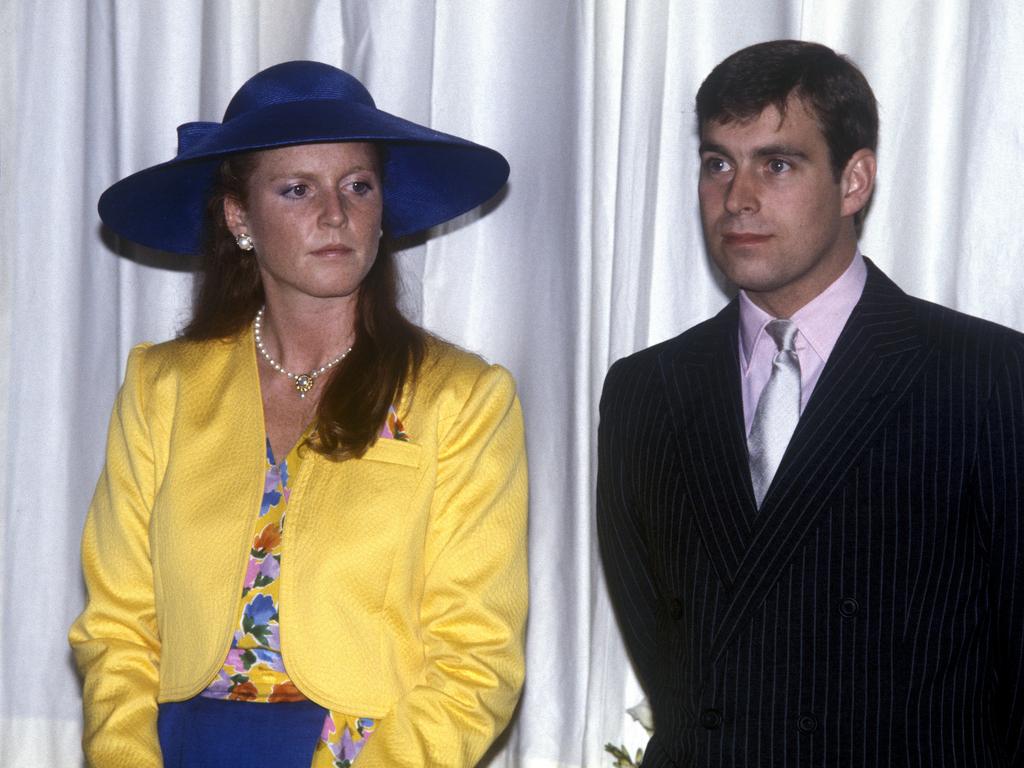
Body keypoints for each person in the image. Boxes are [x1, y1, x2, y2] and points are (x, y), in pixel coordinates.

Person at [69, 60, 528, 768]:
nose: (334, 214)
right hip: (183, 748)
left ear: (382, 207)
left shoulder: (460, 398)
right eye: (296, 189)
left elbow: (478, 657)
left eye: (357, 186)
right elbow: (117, 629)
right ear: (239, 216)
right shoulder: (161, 387)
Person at [597, 40, 1024, 766]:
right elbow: (670, 660)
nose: (738, 198)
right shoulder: (647, 391)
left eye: (778, 163)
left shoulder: (986, 378)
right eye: (717, 163)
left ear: (854, 180)